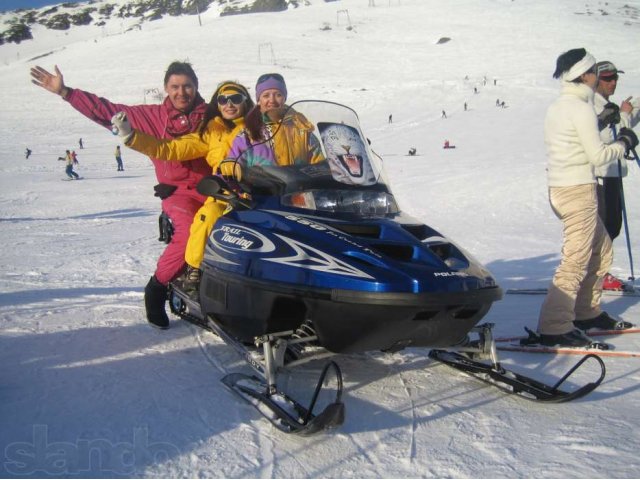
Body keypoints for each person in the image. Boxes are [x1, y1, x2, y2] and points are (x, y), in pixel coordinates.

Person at [30, 61, 211, 330]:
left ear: (196, 87)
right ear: (166, 89)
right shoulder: (153, 117)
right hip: (179, 194)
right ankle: (157, 288)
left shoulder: (213, 115)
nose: (181, 92)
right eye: (175, 87)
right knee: (188, 236)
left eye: (187, 86)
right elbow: (106, 112)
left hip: (216, 190)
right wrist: (66, 92)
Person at [533, 48, 637, 348]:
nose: (597, 77)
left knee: (601, 249)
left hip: (563, 188)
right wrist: (625, 140)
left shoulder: (562, 105)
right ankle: (554, 326)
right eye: (594, 71)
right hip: (577, 190)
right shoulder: (579, 108)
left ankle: (586, 312)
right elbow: (598, 154)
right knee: (576, 260)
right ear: (584, 75)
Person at [111, 81, 254, 297]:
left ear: (245, 102)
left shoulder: (260, 127)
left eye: (235, 98)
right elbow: (172, 149)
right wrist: (132, 137)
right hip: (226, 194)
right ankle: (194, 269)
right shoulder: (210, 132)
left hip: (259, 191)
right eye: (223, 100)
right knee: (208, 216)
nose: (229, 104)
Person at [592, 60, 640, 290]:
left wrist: (630, 112)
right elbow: (605, 135)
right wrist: (623, 114)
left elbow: (622, 127)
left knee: (612, 225)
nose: (613, 82)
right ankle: (595, 274)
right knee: (602, 226)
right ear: (595, 79)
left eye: (615, 78)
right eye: (608, 78)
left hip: (612, 174)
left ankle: (599, 272)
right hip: (600, 175)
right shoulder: (592, 104)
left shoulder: (606, 104)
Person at [226, 73, 324, 168]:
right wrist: (230, 166)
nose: (272, 100)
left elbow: (319, 163)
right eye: (266, 96)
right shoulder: (248, 132)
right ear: (259, 100)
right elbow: (233, 160)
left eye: (278, 95)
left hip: (300, 184)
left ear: (284, 98)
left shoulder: (302, 129)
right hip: (262, 184)